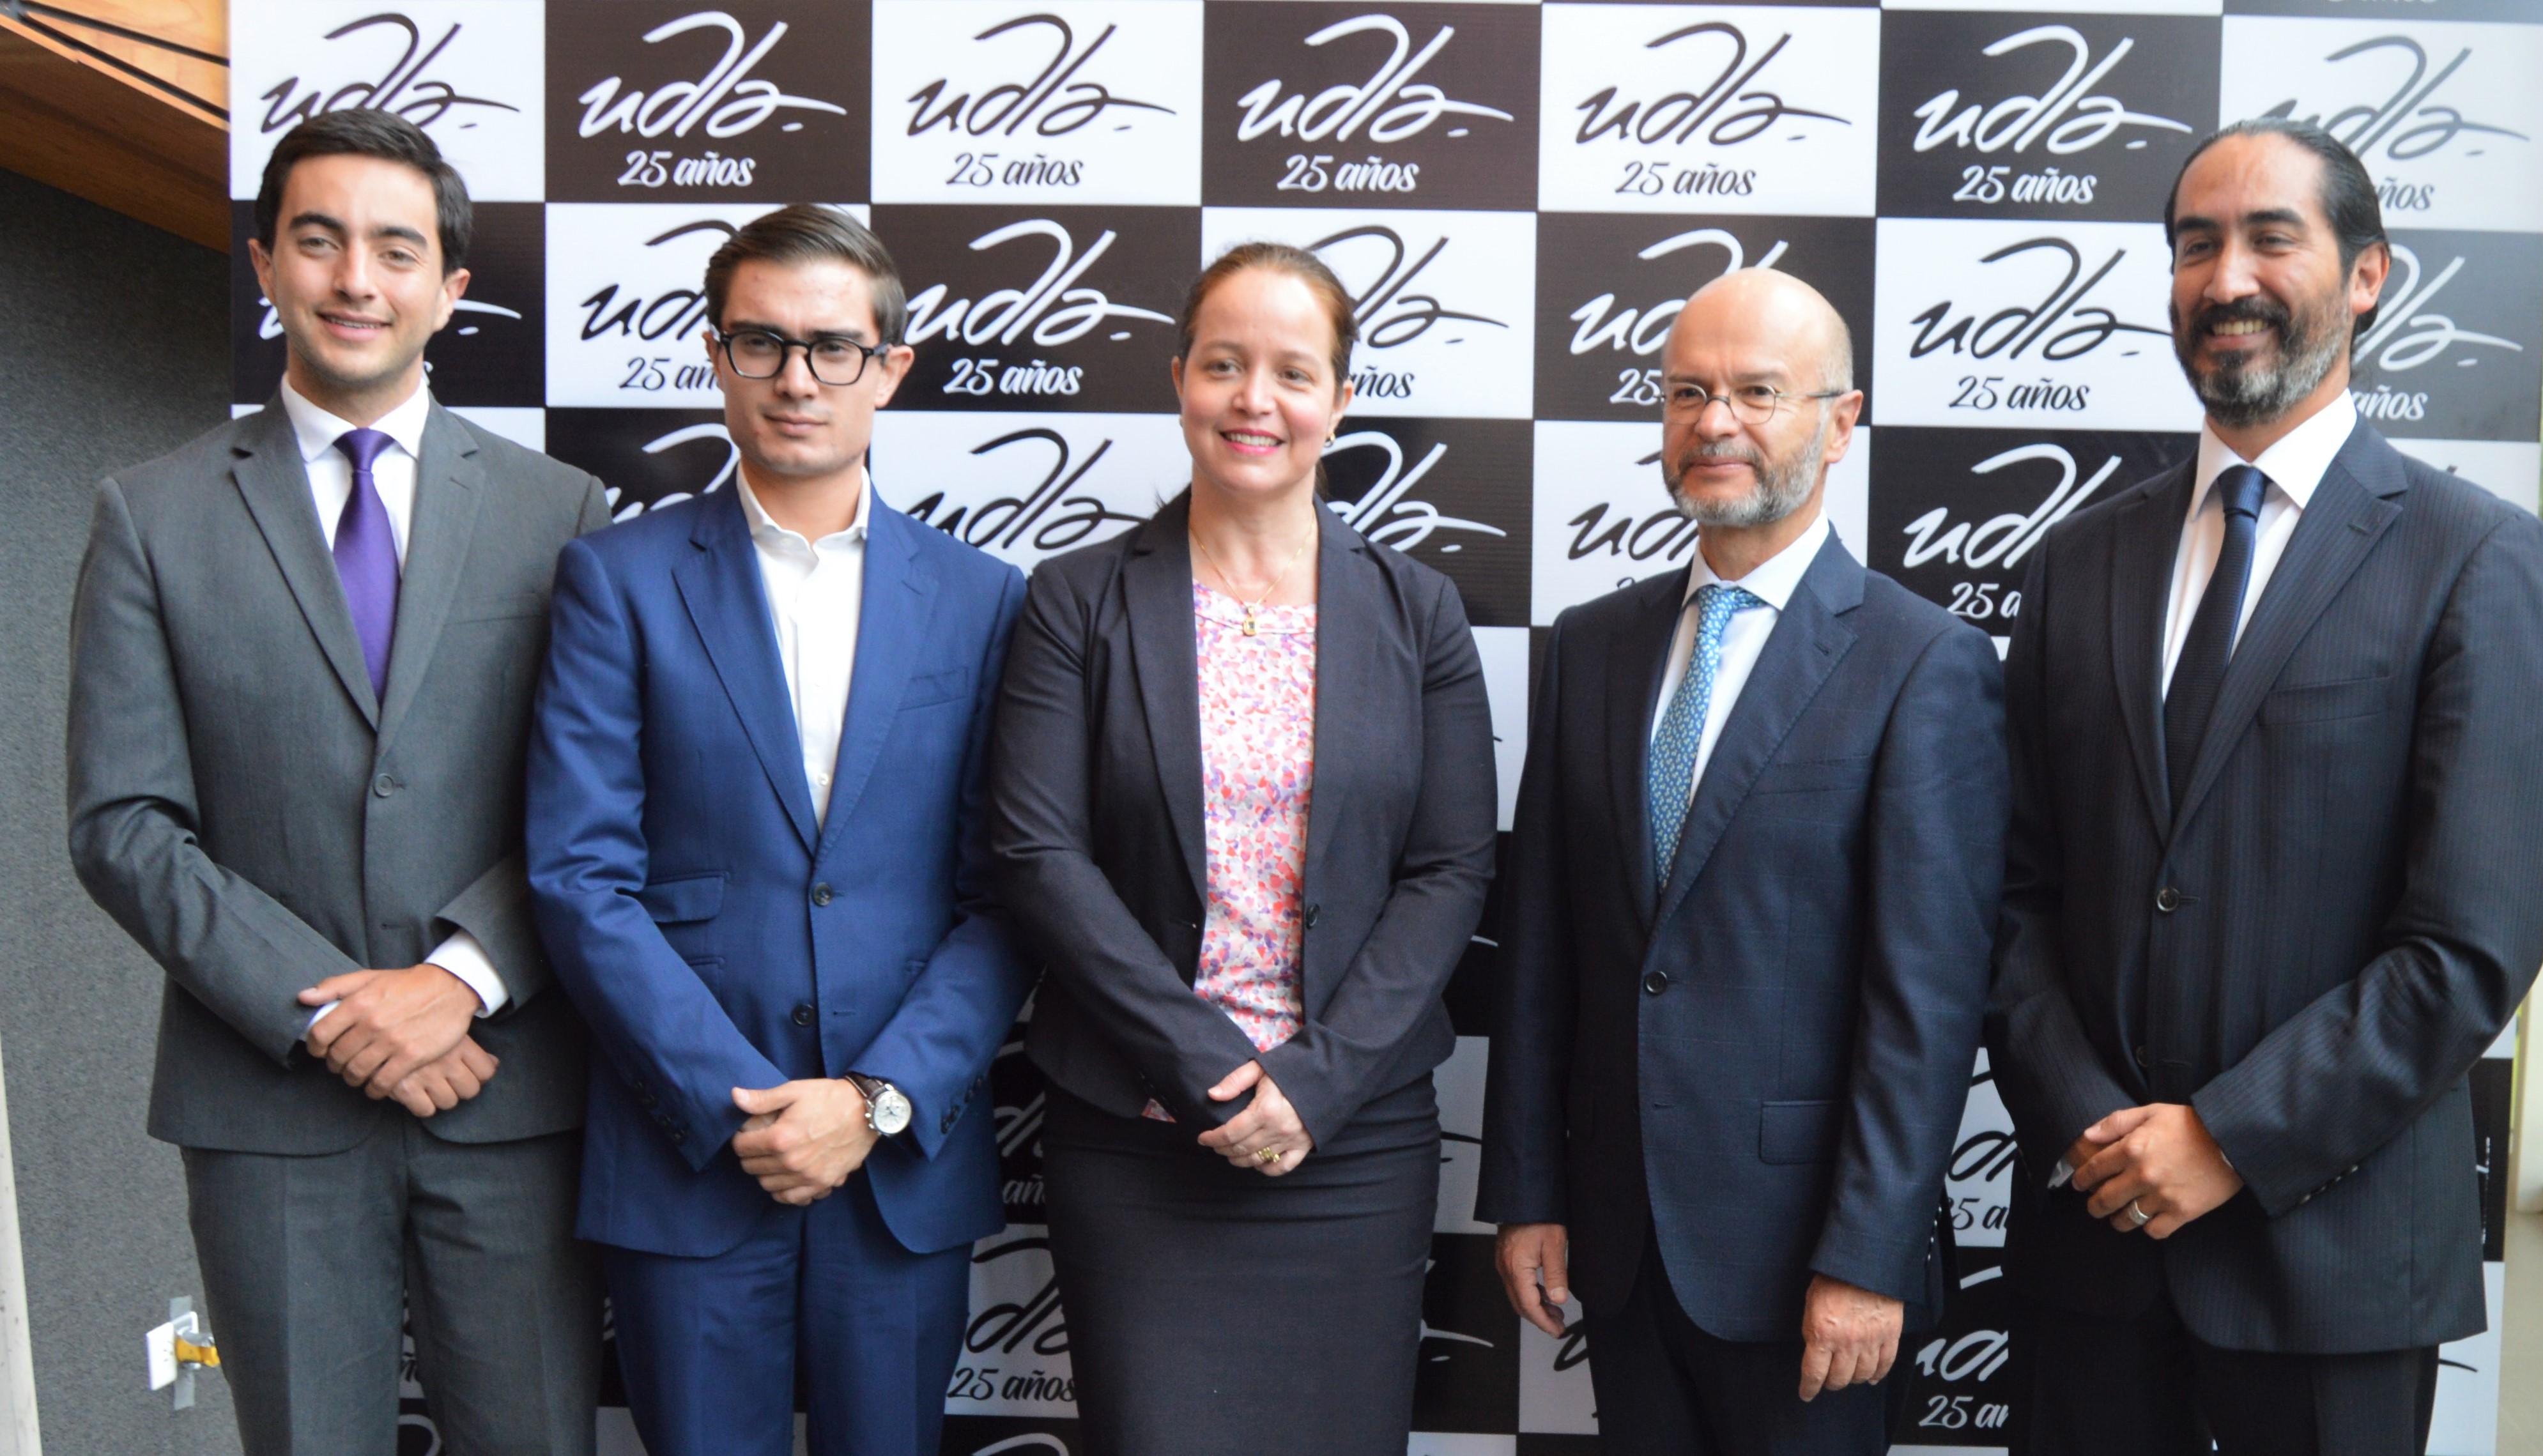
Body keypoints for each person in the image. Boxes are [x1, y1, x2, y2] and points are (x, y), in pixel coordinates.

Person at [1984, 119, 2543, 1456]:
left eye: (2268, 239)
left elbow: (2468, 943)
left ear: (2365, 274)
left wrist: (2227, 1139)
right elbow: (2012, 894)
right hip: (2092, 1244)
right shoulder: (2075, 562)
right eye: (2194, 246)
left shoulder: (2474, 557)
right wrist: (2090, 1124)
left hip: (2334, 1265)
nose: (2225, 279)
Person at [64, 109, 608, 1453]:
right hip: (268, 1103)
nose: (356, 279)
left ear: (450, 287)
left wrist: (457, 982)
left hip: (505, 1083)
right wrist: (335, 1016)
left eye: (395, 249)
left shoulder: (562, 513)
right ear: (264, 264)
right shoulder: (150, 513)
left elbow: (602, 803)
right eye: (318, 241)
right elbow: (124, 823)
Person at [525, 204, 1034, 1456]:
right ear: (717, 357)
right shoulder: (616, 578)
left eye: (832, 347)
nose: (797, 378)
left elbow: (1010, 893)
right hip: (689, 1155)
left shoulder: (982, 598)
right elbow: (580, 875)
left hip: (897, 1167)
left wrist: (875, 1100)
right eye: (762, 342)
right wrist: (742, 1104)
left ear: (889, 369)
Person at [1477, 268, 2008, 1456]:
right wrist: (1528, 1190)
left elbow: (1926, 1005)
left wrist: (1867, 1256)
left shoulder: (1922, 662)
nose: (1713, 422)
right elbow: (1541, 949)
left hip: (1811, 1266)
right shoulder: (1590, 647)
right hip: (1618, 1244)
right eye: (1686, 393)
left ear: (1841, 422)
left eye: (1757, 392)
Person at [988, 241, 1498, 1455]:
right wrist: (1207, 1067)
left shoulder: (1419, 610)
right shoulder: (1075, 599)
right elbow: (1036, 852)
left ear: (1340, 400)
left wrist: (1312, 1084)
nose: (1253, 399)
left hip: (1353, 1138)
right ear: (1179, 379)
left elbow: (1450, 870)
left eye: (1292, 372)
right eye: (1223, 364)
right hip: (1136, 1132)